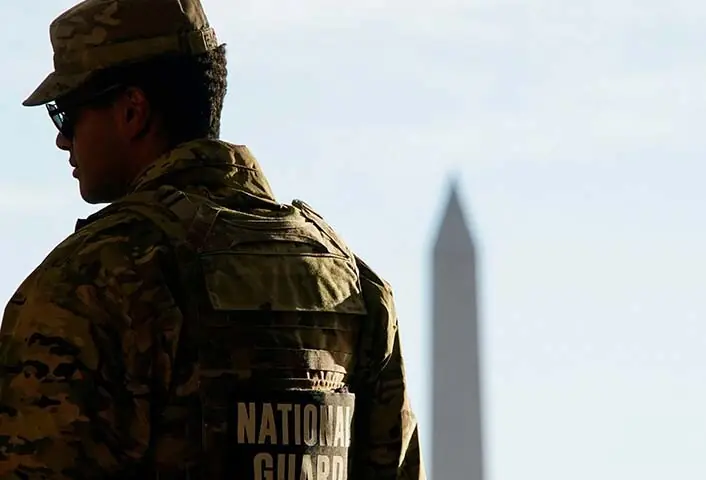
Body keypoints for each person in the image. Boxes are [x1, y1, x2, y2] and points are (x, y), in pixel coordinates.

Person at [0, 0, 426, 478]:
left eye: (66, 114)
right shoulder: (352, 282)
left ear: (132, 111)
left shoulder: (91, 281)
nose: (63, 141)